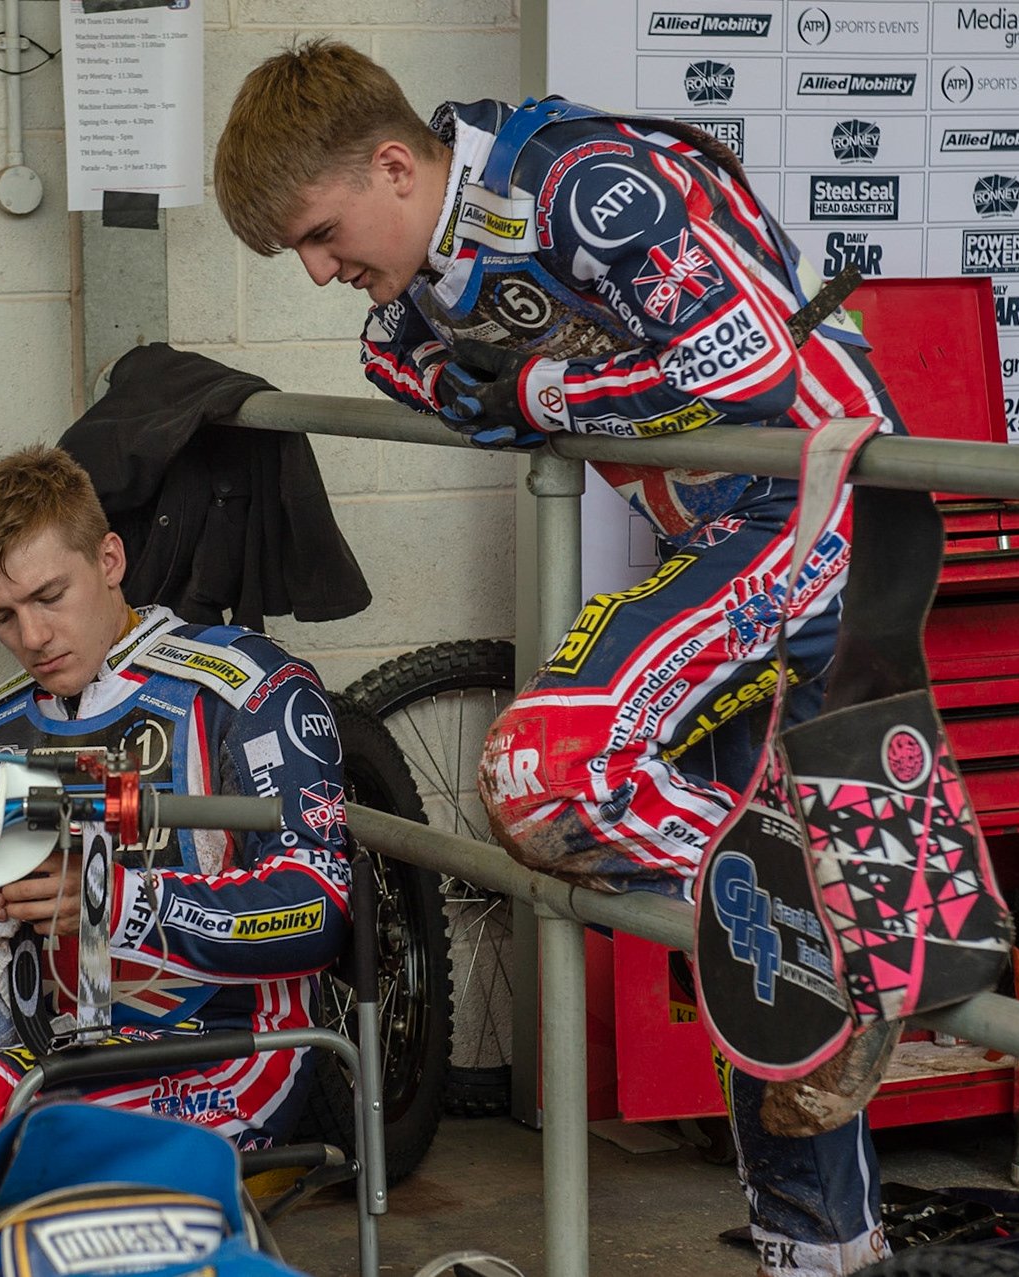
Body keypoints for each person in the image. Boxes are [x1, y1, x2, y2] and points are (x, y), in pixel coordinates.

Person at [215, 41, 907, 1277]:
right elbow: (392, 356)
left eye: (320, 234)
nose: (322, 272)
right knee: (732, 914)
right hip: (722, 524)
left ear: (390, 163)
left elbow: (743, 361)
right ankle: (825, 1244)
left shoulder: (583, 181)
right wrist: (500, 382)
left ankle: (842, 936)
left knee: (550, 766)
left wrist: (538, 391)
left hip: (812, 503)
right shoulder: (446, 238)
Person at [0, 445, 353, 1159]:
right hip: (49, 1046)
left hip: (230, 1052)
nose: (33, 637)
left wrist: (120, 901)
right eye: (2, 616)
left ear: (109, 560)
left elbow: (319, 909)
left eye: (49, 597)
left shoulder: (251, 686)